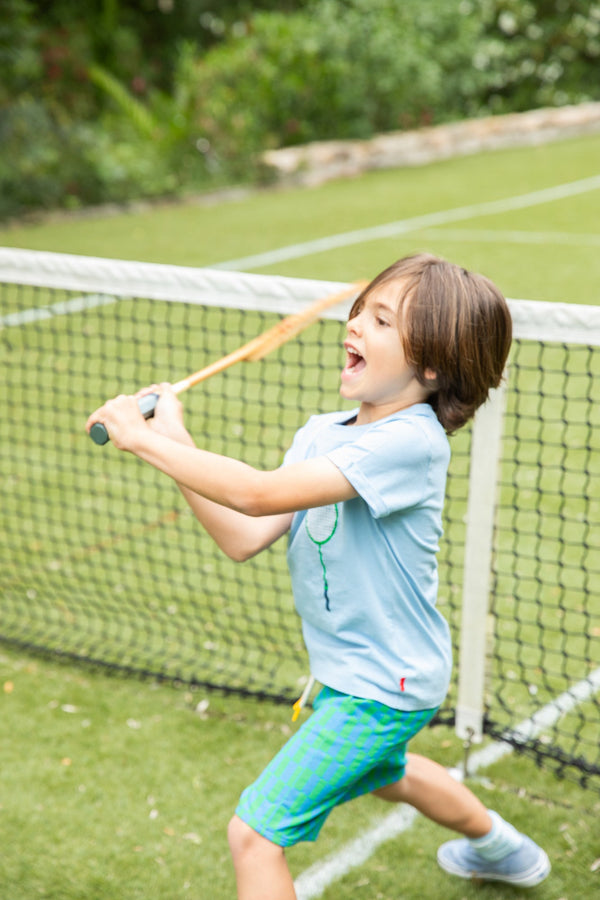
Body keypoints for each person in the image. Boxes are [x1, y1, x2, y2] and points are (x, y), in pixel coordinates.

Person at [87, 253, 550, 898]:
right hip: (352, 672)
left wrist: (142, 440)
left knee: (254, 833)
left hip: (383, 684)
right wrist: (176, 443)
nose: (357, 323)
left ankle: (499, 846)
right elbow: (244, 534)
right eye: (363, 308)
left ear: (433, 367)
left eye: (382, 321)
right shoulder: (319, 435)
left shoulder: (412, 444)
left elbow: (254, 493)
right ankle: (503, 848)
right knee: (392, 774)